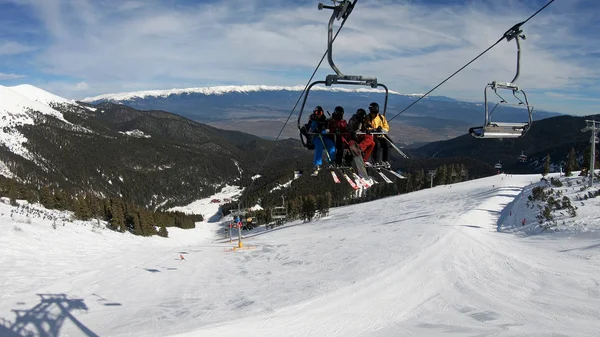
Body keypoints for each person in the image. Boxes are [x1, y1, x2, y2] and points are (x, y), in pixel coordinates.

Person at [309, 106, 336, 174]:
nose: (319, 114)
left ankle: (330, 161)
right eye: (317, 112)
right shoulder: (313, 120)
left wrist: (326, 129)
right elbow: (311, 129)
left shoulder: (324, 120)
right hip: (315, 137)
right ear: (314, 113)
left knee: (331, 145)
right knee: (319, 146)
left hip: (323, 137)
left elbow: (326, 127)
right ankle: (317, 164)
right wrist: (315, 130)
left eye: (320, 112)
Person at [365, 102, 390, 168]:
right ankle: (375, 160)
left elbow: (386, 127)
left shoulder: (381, 117)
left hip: (380, 136)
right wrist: (373, 130)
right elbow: (366, 126)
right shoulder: (368, 117)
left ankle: (385, 160)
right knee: (377, 144)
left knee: (386, 144)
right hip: (372, 136)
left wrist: (382, 129)